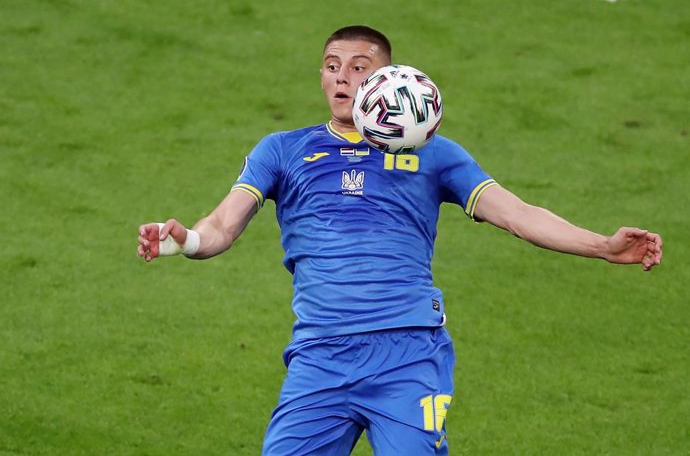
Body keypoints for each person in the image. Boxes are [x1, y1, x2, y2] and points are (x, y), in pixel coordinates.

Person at [137, 25, 663, 455]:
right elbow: (223, 225)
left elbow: (517, 213)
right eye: (332, 65)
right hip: (320, 353)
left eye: (358, 67)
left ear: (386, 79)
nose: (342, 77)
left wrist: (602, 245)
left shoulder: (435, 154)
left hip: (407, 351)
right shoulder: (283, 150)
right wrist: (184, 241)